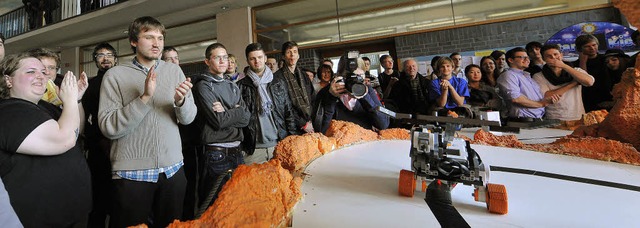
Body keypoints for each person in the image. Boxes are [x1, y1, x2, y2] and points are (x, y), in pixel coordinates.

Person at [98, 16, 197, 228]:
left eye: (160, 38)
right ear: (134, 41)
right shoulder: (115, 75)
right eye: (149, 37)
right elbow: (108, 127)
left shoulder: (173, 70)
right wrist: (144, 98)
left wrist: (181, 102)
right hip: (131, 174)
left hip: (173, 170)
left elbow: (188, 119)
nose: (156, 43)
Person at [0, 53, 91, 227]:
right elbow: (64, 139)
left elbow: (76, 129)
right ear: (8, 80)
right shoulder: (8, 111)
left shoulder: (44, 106)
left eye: (43, 72)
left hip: (72, 211)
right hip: (40, 218)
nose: (41, 76)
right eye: (31, 72)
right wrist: (70, 100)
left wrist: (76, 99)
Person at [190, 43, 250, 210]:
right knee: (215, 205)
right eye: (217, 57)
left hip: (237, 152)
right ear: (207, 61)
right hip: (217, 155)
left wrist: (227, 112)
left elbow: (246, 118)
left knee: (238, 201)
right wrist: (235, 112)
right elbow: (218, 122)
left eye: (225, 57)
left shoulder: (231, 85)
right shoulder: (203, 86)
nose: (223, 61)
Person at [237, 43, 296, 164]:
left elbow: (288, 112)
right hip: (253, 150)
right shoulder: (241, 86)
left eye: (259, 57)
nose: (257, 61)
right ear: (248, 61)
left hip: (278, 144)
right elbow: (239, 119)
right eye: (252, 58)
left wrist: (291, 140)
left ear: (265, 58)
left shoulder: (278, 82)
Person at [82, 42, 118, 228]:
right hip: (99, 146)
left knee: (120, 198)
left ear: (115, 58)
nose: (106, 58)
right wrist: (97, 140)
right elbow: (84, 117)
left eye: (109, 54)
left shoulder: (122, 80)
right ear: (95, 60)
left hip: (122, 143)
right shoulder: (90, 84)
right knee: (98, 199)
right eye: (100, 55)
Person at [313, 55, 389, 133]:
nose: (354, 81)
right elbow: (321, 130)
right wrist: (332, 97)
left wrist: (364, 97)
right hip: (337, 141)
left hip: (366, 140)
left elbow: (383, 125)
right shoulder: (326, 92)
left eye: (359, 77)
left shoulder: (367, 90)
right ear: (339, 75)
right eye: (350, 77)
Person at [532, 44, 594, 121]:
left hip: (578, 116)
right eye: (549, 56)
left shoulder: (576, 71)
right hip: (555, 118)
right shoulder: (538, 76)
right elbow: (547, 95)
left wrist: (564, 66)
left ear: (561, 55)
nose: (553, 58)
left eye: (555, 54)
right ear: (544, 59)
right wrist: (573, 84)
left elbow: (589, 82)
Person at [497, 47, 559, 119]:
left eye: (527, 57)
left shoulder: (526, 75)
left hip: (538, 118)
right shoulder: (509, 75)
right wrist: (542, 104)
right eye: (522, 57)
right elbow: (516, 99)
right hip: (523, 119)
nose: (527, 60)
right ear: (511, 60)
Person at [274, 41, 315, 135]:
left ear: (298, 55)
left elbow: (313, 98)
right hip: (291, 127)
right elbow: (282, 105)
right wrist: (303, 124)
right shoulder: (277, 77)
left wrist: (311, 121)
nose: (292, 55)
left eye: (295, 51)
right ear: (283, 57)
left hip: (310, 122)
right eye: (289, 52)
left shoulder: (304, 75)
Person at [572, 34, 607, 112]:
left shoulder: (606, 59)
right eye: (587, 46)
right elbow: (583, 81)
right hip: (587, 99)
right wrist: (582, 62)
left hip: (606, 96)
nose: (592, 48)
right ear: (580, 49)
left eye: (594, 45)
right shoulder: (575, 65)